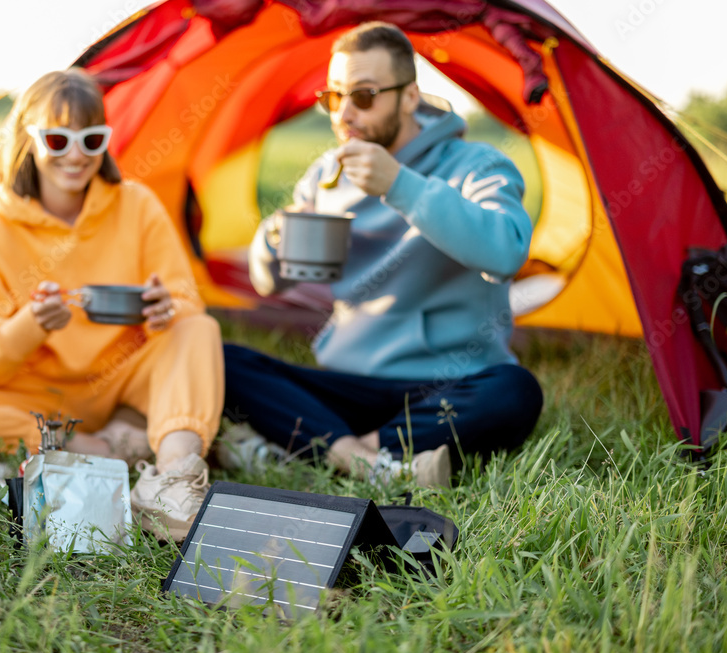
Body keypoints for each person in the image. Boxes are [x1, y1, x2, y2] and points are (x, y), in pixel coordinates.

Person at [0, 69, 223, 541]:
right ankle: (101, 445)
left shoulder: (137, 205)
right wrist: (30, 324)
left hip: (121, 376)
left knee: (198, 330)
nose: (76, 155)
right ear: (28, 140)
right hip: (37, 400)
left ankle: (173, 478)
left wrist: (164, 306)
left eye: (91, 141)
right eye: (57, 139)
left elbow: (184, 300)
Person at [223, 22, 543, 487]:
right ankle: (370, 457)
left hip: (448, 383)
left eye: (364, 96)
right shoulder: (325, 174)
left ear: (410, 96)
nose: (345, 114)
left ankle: (321, 447)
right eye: (333, 97)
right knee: (222, 361)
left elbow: (506, 251)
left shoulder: (477, 165)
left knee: (516, 392)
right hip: (348, 383)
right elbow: (271, 283)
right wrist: (272, 242)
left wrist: (399, 184)